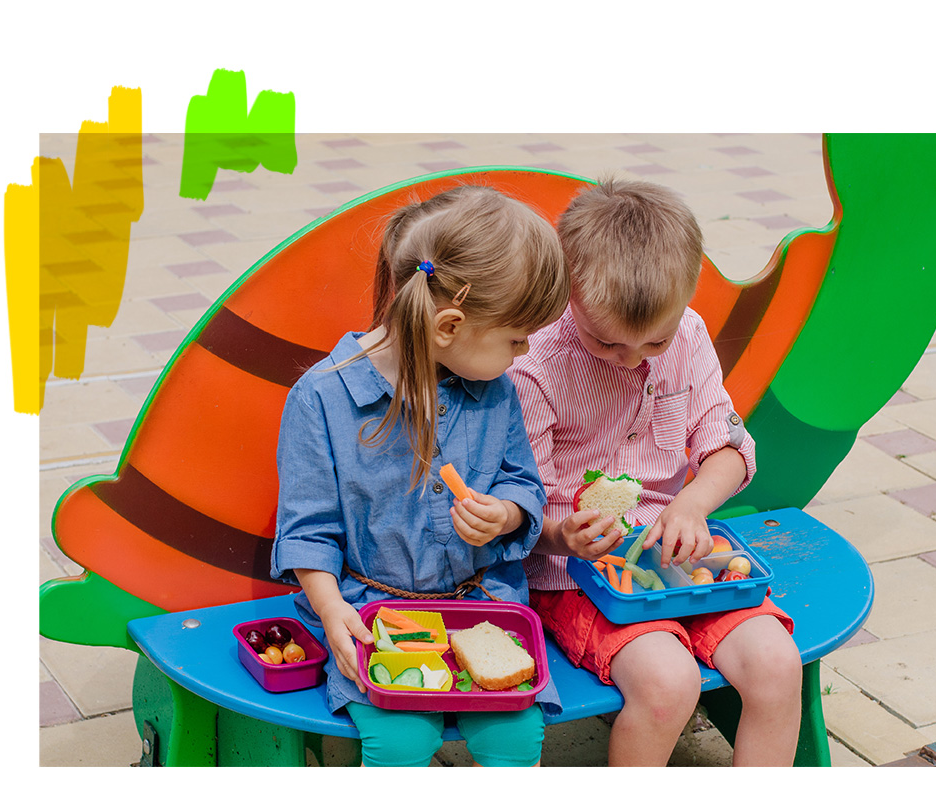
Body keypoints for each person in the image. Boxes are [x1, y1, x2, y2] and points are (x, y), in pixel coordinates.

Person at [272, 184, 570, 767]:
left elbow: (522, 482)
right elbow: (309, 531)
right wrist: (331, 611)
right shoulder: (321, 400)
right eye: (516, 339)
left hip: (481, 605)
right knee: (401, 741)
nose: (524, 353)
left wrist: (506, 514)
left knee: (514, 738)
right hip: (369, 610)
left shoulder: (495, 390)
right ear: (449, 326)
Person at [509, 178, 802, 767]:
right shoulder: (535, 363)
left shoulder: (688, 335)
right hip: (576, 575)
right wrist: (561, 535)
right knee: (668, 685)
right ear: (569, 291)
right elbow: (521, 505)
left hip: (683, 556)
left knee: (777, 665)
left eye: (654, 342)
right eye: (607, 343)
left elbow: (728, 450)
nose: (633, 358)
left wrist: (692, 504)